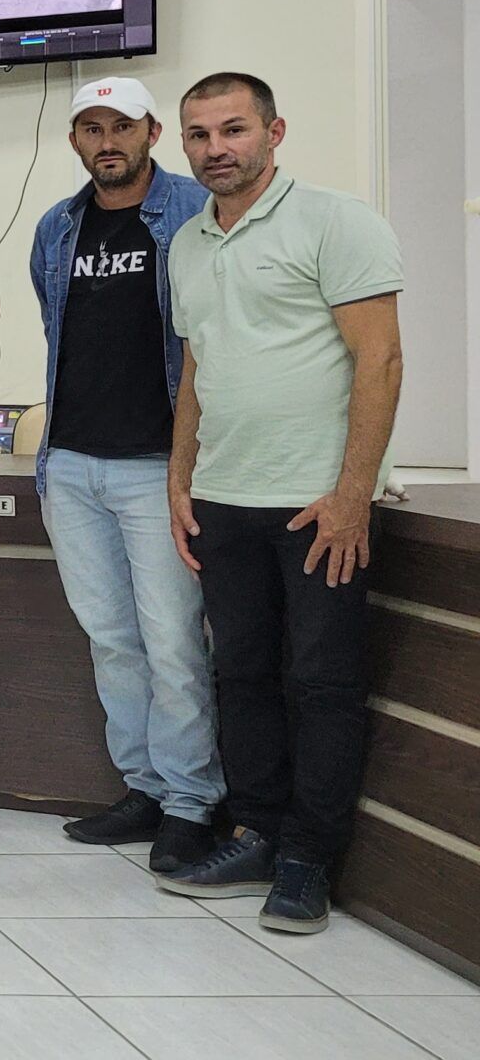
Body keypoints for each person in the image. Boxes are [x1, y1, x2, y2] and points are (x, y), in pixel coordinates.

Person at [158, 72, 403, 935]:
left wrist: (351, 495)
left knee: (323, 683)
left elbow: (379, 362)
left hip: (313, 504)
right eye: (198, 135)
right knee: (242, 675)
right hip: (224, 499)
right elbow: (198, 366)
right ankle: (256, 830)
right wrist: (180, 477)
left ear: (274, 131)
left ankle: (308, 860)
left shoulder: (337, 222)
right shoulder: (188, 241)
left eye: (233, 129)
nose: (216, 148)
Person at [29, 77, 221, 873]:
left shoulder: (191, 214)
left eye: (122, 126)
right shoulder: (57, 226)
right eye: (90, 128)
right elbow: (56, 328)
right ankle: (143, 788)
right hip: (72, 465)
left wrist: (186, 468)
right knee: (112, 639)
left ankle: (191, 801)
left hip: (157, 468)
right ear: (74, 141)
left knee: (174, 640)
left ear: (152, 132)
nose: (107, 140)